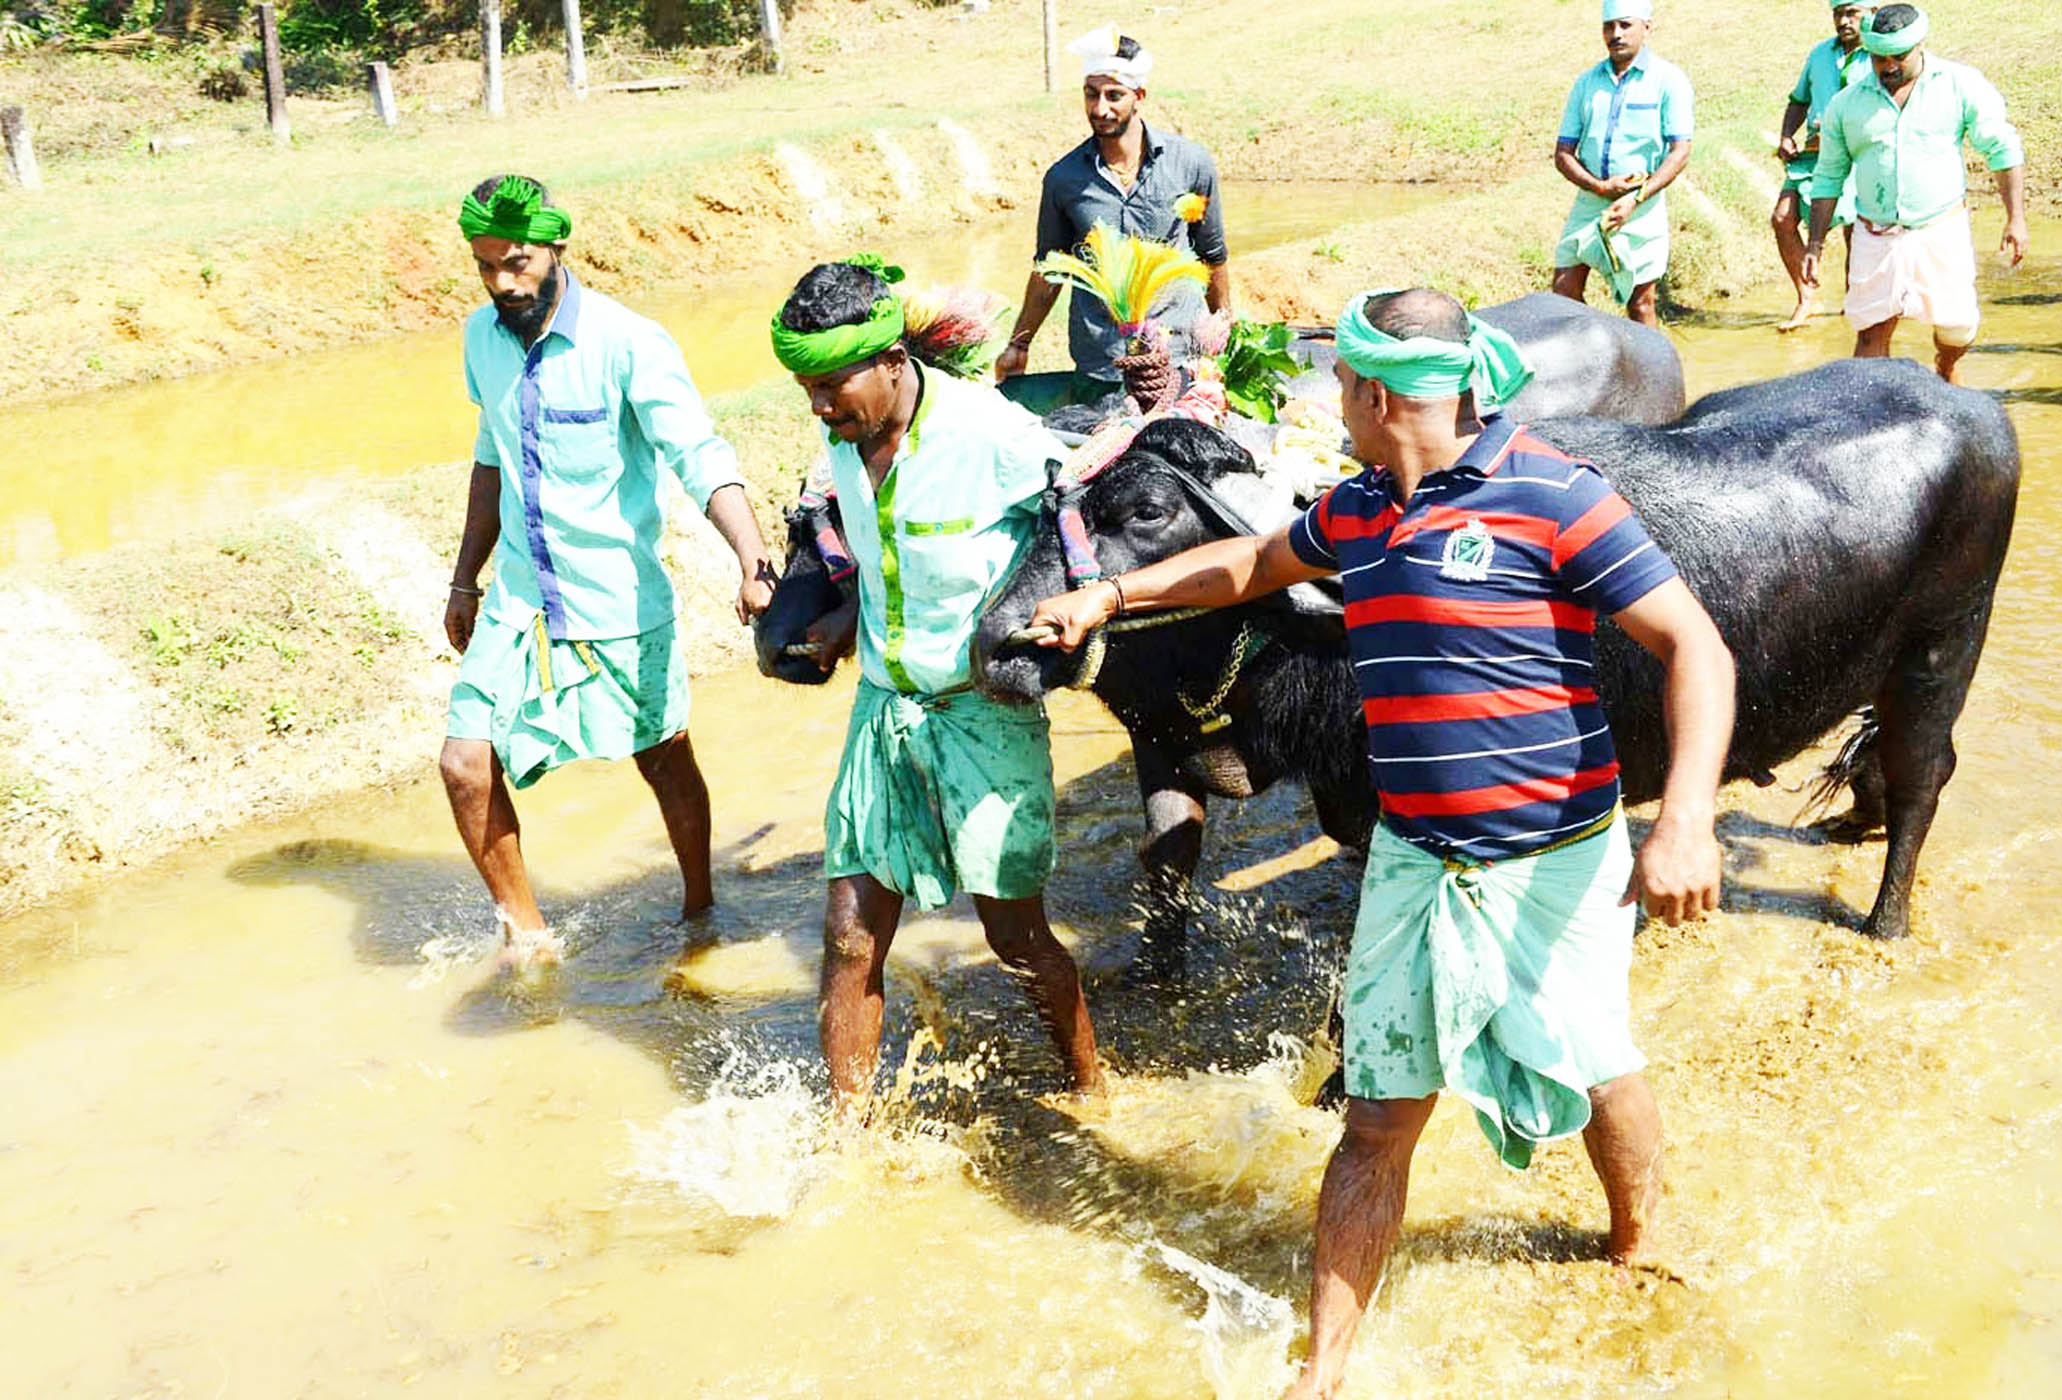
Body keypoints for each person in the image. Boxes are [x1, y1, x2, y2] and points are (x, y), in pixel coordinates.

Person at [1025, 288, 1734, 1400]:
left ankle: (1637, 1239)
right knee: (1377, 1118)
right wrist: (1109, 592)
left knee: (1596, 1064)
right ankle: (1325, 1370)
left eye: (1338, 390)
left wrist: (1685, 815)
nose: (1332, 407)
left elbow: (1697, 644)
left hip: (1554, 858)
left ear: (1371, 391)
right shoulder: (1358, 510)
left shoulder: (1555, 495)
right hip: (1414, 857)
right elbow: (1251, 566)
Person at [772, 258, 1108, 1112]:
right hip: (884, 707)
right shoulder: (844, 430)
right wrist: (847, 618)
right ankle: (848, 1141)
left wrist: (1063, 618)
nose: (818, 408)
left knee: (1015, 933)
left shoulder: (989, 433)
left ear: (891, 360)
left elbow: (1074, 529)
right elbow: (877, 542)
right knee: (850, 939)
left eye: (829, 386)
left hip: (980, 716)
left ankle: (1092, 1090)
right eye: (805, 388)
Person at [441, 174, 776, 970]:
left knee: (663, 757)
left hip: (617, 600)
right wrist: (464, 579)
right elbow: (490, 458)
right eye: (486, 267)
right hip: (522, 597)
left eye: (516, 262)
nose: (502, 283)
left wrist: (753, 558)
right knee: (463, 762)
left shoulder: (629, 341)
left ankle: (700, 909)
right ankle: (530, 939)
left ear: (557, 246)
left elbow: (698, 455)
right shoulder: (481, 339)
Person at [994, 25, 1231, 406]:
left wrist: (1223, 327)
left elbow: (1212, 253)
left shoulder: (1191, 164)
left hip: (1178, 358)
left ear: (1139, 96)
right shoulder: (1064, 179)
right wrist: (1019, 345)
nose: (1100, 108)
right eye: (1091, 94)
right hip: (1101, 364)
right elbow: (1049, 271)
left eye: (1113, 95)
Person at [1803, 4, 2027, 384]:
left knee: (1956, 330)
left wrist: (2016, 219)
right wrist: (1815, 244)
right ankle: (1870, 424)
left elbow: (2002, 150)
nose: (1888, 66)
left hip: (1941, 228)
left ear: (1920, 46)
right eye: (1879, 58)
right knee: (1871, 333)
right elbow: (1828, 177)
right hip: (1876, 234)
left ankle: (1947, 366)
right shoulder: (1846, 105)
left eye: (1899, 57)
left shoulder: (1960, 84)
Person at [1550, 0, 1695, 328]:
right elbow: (1563, 153)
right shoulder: (1586, 83)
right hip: (1591, 201)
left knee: (1641, 302)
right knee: (1562, 293)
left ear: (1647, 27)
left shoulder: (1668, 80)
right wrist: (1599, 186)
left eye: (1625, 25)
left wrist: (1635, 197)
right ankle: (1601, 352)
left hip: (1641, 203)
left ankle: (1654, 377)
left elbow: (1680, 152)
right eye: (1608, 26)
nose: (1615, 34)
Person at [1771, 1, 1874, 331]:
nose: (1844, 21)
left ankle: (1854, 302)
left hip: (1858, 153)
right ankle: (1808, 298)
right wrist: (1787, 135)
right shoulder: (1819, 55)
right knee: (1783, 218)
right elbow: (1799, 99)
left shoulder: (1880, 55)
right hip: (1814, 154)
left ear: (1872, 11)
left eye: (1852, 13)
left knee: (1855, 230)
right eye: (1838, 13)